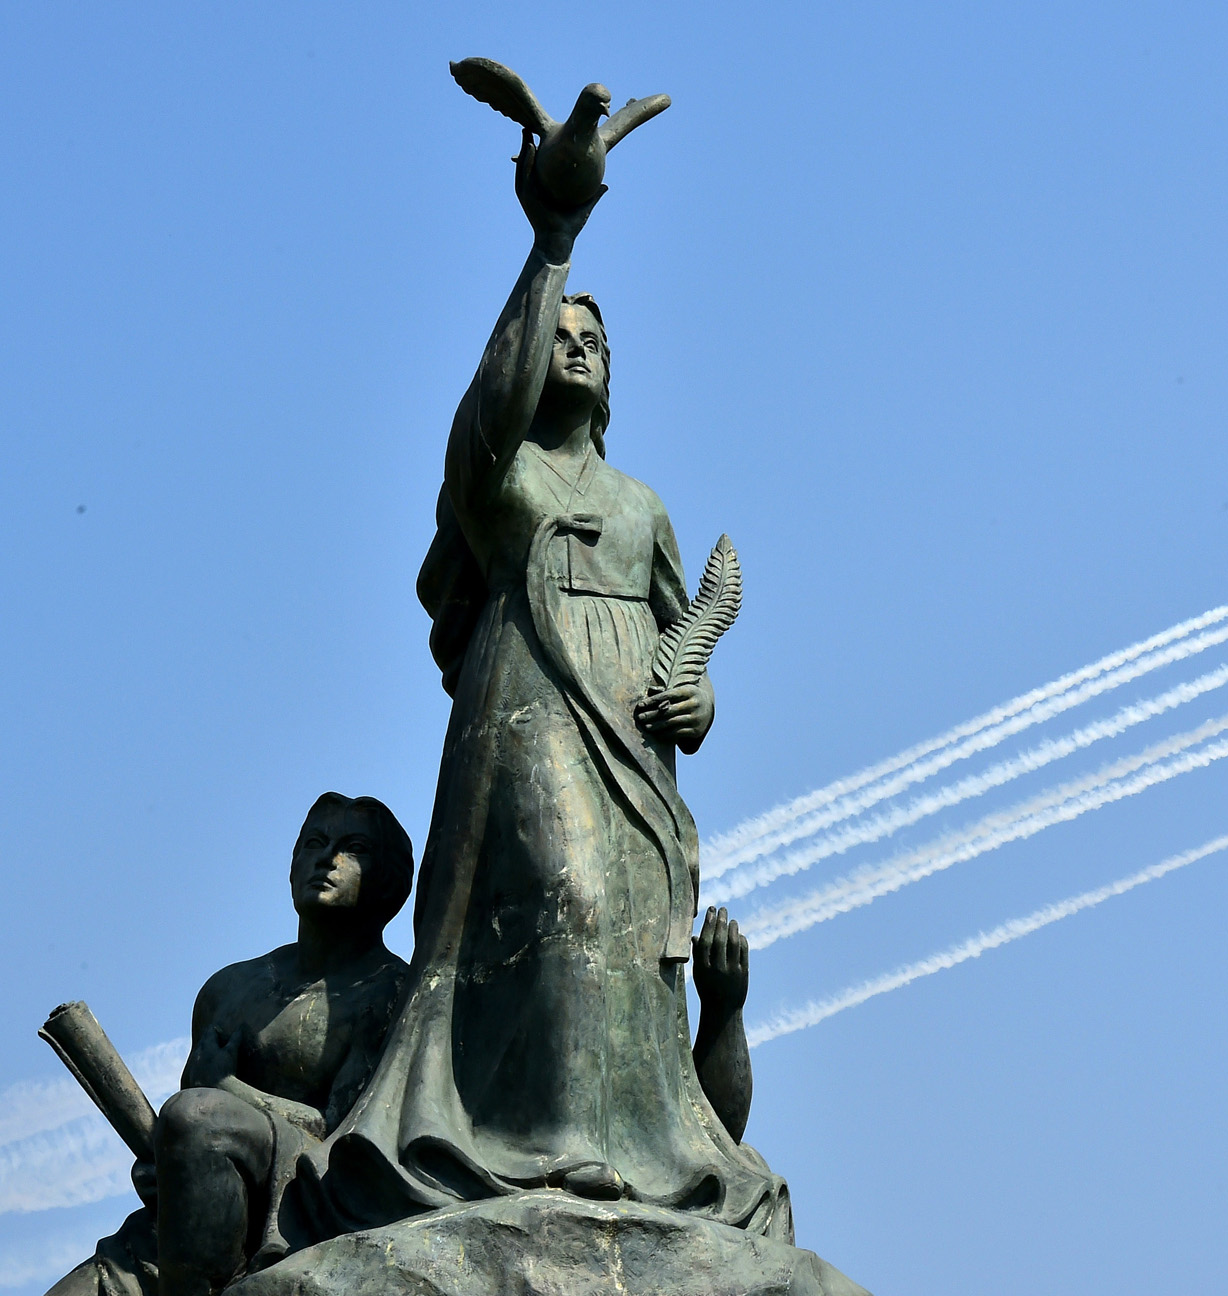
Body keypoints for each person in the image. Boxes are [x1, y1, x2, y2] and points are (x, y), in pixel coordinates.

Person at [296, 130, 790, 1240]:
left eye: (591, 337)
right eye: (557, 335)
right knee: (555, 900)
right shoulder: (499, 477)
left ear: (615, 370)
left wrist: (697, 702)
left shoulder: (642, 505)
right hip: (526, 709)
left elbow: (691, 638)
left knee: (619, 927)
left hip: (635, 753)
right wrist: (553, 242)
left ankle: (627, 1142)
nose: (573, 345)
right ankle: (538, 1145)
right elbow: (481, 419)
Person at [44, 793, 415, 1296]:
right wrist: (164, 1168)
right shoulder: (229, 989)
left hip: (306, 1196)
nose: (327, 859)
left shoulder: (392, 993)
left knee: (200, 1115)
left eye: (353, 849)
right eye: (314, 843)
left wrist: (224, 1089)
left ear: (389, 879)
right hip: (188, 1230)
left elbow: (343, 1135)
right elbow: (181, 1135)